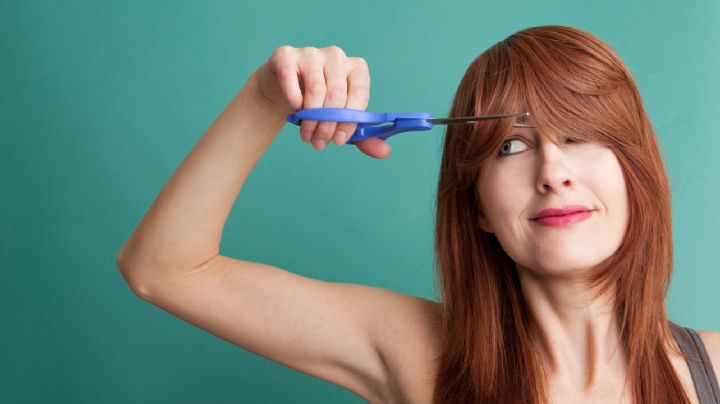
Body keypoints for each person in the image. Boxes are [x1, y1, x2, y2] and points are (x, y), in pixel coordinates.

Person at [116, 25, 720, 403]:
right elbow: (164, 269)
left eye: (583, 136)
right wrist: (265, 98)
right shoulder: (416, 354)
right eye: (511, 145)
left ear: (637, 178)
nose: (553, 171)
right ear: (478, 207)